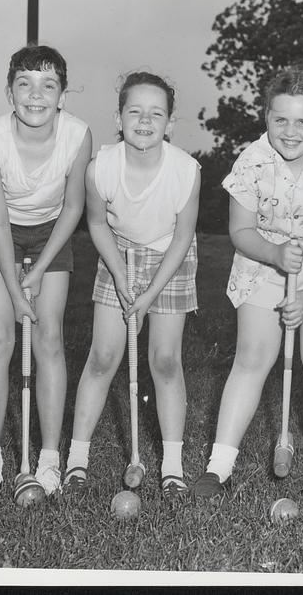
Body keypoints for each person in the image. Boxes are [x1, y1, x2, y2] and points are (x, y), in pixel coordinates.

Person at [192, 66, 303, 507]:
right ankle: (219, 465)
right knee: (251, 358)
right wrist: (274, 255)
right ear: (266, 117)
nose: (290, 131)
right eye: (279, 119)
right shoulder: (252, 160)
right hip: (264, 260)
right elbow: (241, 230)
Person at [63, 71, 201, 498]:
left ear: (170, 124)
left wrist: (148, 295)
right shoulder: (101, 167)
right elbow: (97, 224)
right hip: (118, 254)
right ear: (118, 118)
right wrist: (123, 281)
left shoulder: (185, 170)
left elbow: (181, 239)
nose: (145, 121)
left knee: (164, 360)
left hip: (171, 260)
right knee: (103, 356)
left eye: (156, 113)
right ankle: (76, 460)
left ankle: (172, 465)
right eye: (134, 111)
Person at [0, 45, 92, 497]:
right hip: (0, 231)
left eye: (48, 85)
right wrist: (17, 290)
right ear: (9, 92)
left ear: (62, 95)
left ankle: (49, 460)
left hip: (52, 233)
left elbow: (74, 206)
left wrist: (38, 270)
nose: (35, 96)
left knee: (48, 337)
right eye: (24, 83)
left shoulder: (78, 135)